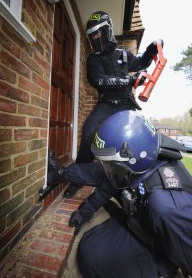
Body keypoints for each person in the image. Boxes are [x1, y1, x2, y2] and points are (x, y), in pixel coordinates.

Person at [73, 110, 192, 278]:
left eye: (110, 165)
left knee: (93, 259)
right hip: (143, 225)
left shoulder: (167, 207)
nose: (107, 170)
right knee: (90, 245)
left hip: (160, 249)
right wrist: (83, 212)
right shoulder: (139, 165)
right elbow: (107, 187)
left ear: (135, 158)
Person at [63, 10, 163, 198]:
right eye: (92, 35)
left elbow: (141, 63)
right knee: (88, 132)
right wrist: (129, 82)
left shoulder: (124, 54)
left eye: (99, 33)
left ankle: (138, 182)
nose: (96, 38)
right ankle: (77, 179)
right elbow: (98, 81)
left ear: (108, 31)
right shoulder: (93, 59)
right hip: (106, 104)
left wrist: (151, 50)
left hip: (126, 104)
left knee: (138, 138)